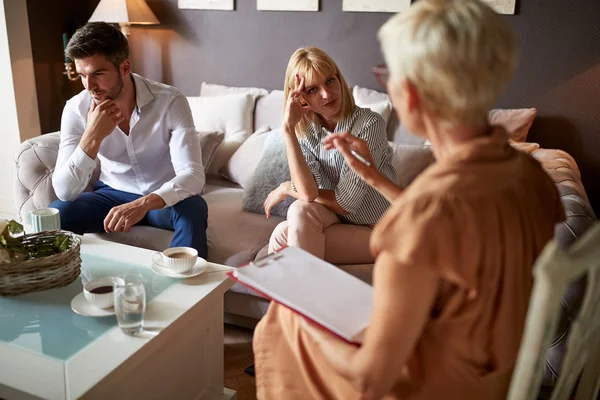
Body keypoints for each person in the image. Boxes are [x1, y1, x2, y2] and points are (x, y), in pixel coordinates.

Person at [253, 1, 566, 399]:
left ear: (413, 93)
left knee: (279, 324)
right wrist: (371, 176)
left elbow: (369, 382)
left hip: (436, 384)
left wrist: (296, 319)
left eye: (391, 75)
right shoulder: (527, 176)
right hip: (496, 373)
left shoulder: (419, 223)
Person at [50, 22, 208, 257]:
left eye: (98, 74)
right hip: (112, 194)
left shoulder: (170, 101)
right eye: (83, 75)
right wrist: (92, 137)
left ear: (124, 67)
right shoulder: (75, 109)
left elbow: (193, 175)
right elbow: (64, 191)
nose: (89, 86)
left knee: (193, 207)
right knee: (58, 212)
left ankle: (188, 287)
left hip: (161, 198)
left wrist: (143, 204)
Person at [263, 46, 397, 262]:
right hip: (337, 220)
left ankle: (290, 296)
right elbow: (307, 194)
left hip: (380, 228)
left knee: (283, 237)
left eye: (330, 81)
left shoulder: (369, 124)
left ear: (339, 79)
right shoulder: (305, 131)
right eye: (312, 89)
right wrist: (288, 129)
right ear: (300, 98)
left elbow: (347, 203)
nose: (326, 94)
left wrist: (287, 187)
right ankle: (297, 295)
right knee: (297, 211)